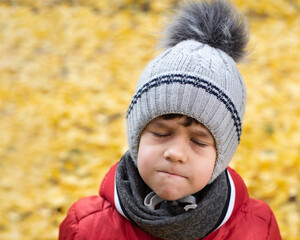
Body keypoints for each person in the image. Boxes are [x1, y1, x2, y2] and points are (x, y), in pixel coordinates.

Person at [59, 0, 282, 239]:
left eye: (198, 141)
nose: (175, 153)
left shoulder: (257, 229)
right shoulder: (86, 227)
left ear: (221, 155)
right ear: (137, 136)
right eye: (162, 133)